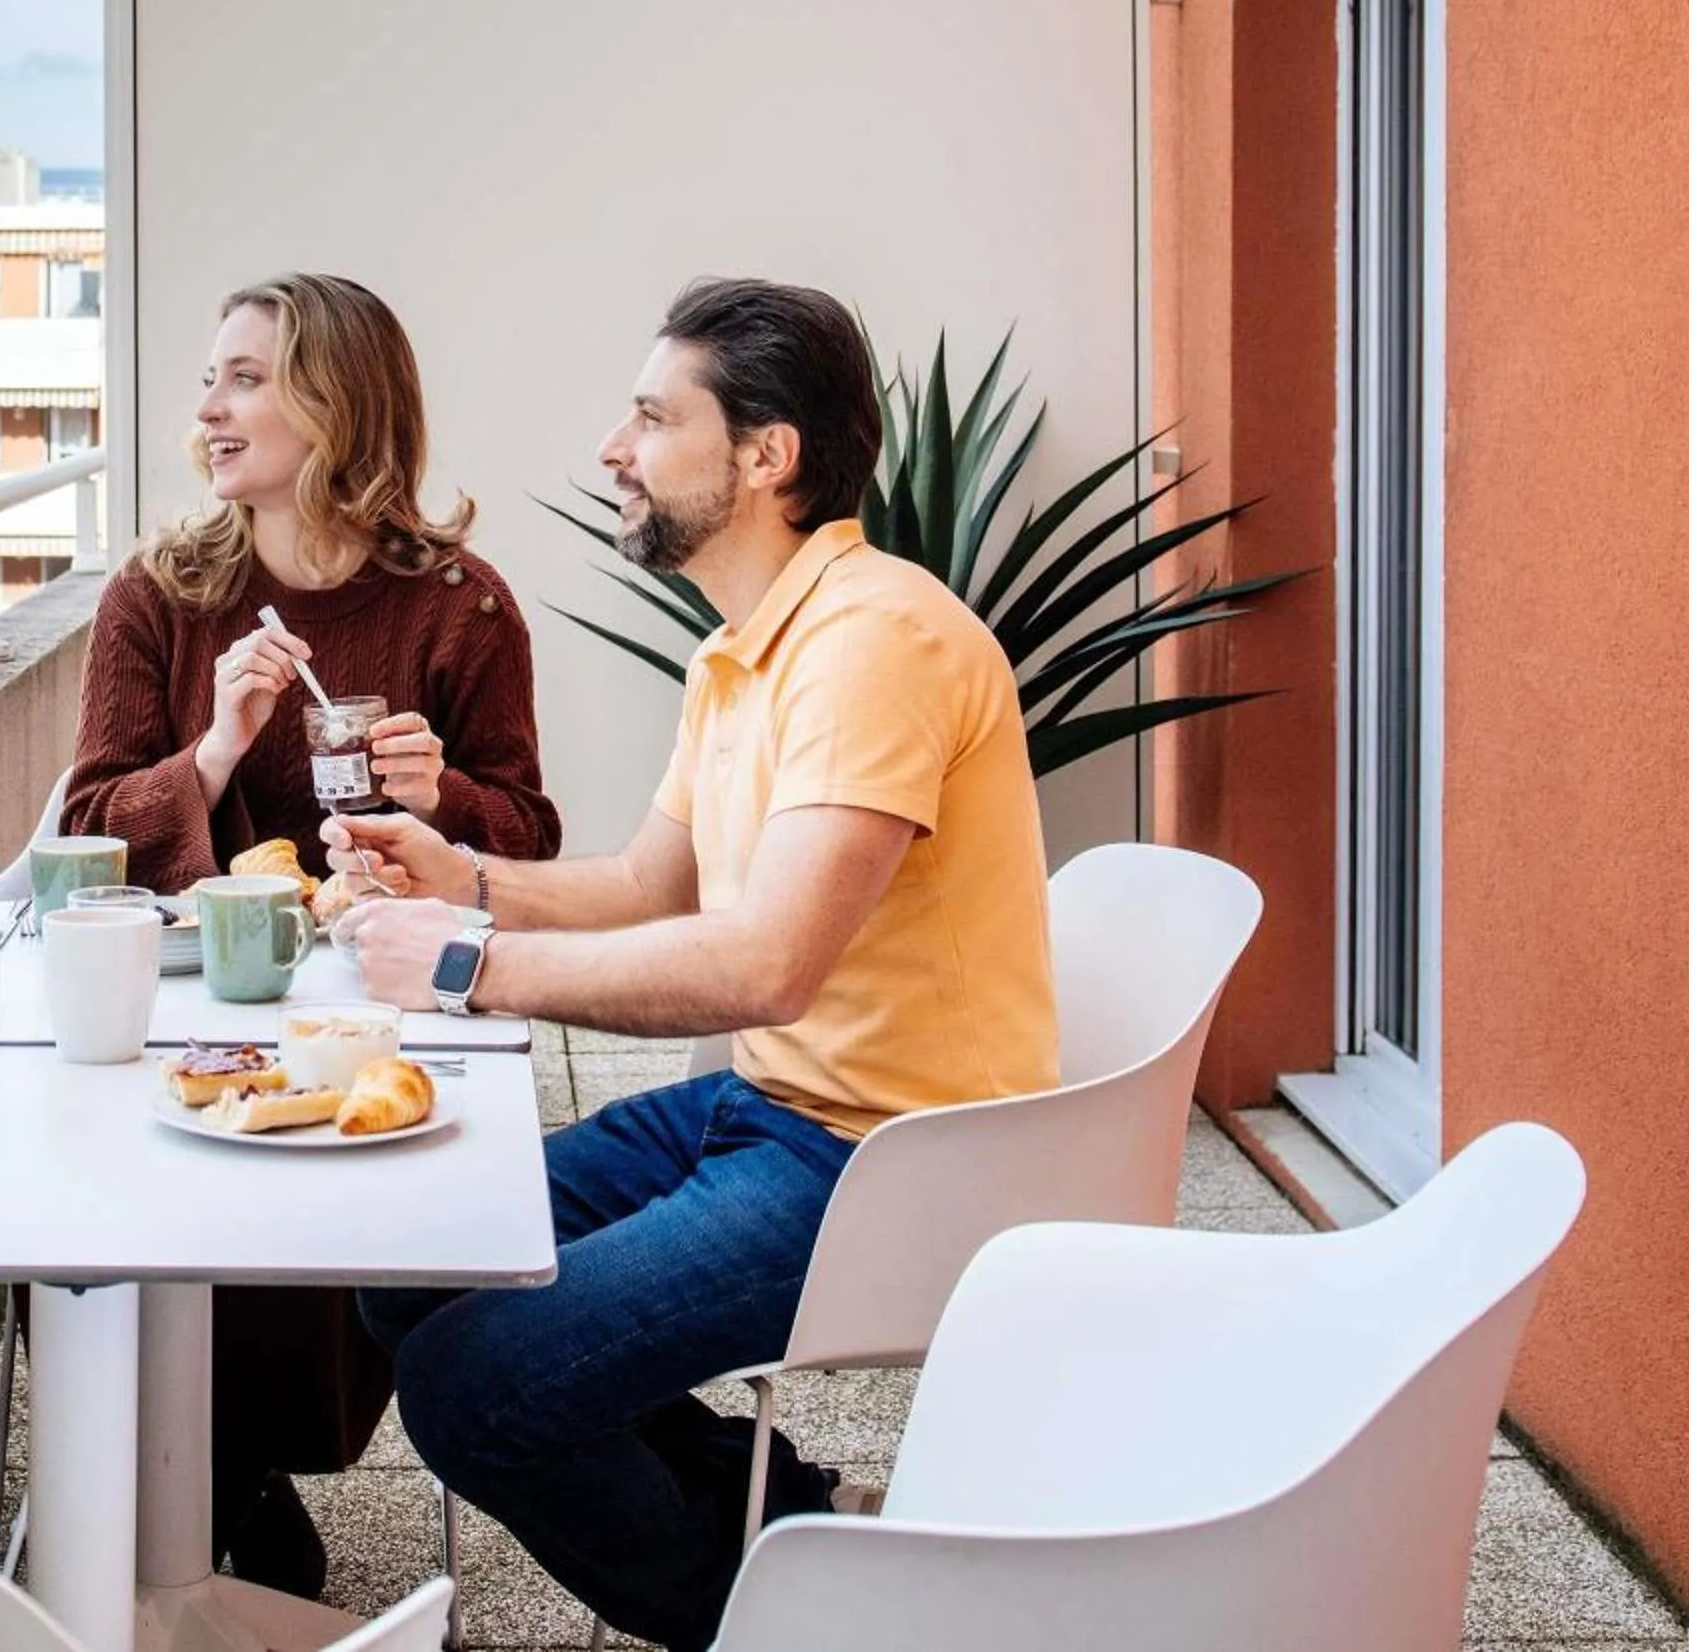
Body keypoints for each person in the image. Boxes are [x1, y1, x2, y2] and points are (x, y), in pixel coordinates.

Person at [325, 277, 1059, 1652]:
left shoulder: (874, 642)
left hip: (883, 1162)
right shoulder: (744, 650)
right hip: (772, 1114)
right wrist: (461, 876)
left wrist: (468, 964)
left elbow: (767, 963)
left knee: (478, 1389)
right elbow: (651, 888)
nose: (617, 446)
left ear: (765, 455)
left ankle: (796, 1624)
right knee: (410, 1255)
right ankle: (786, 1510)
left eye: (655, 416)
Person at [65, 270, 562, 1597]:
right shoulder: (159, 594)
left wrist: (435, 794)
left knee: (323, 1222)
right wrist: (217, 747)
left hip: (372, 1012)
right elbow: (84, 828)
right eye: (208, 381)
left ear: (335, 409)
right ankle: (217, 1483)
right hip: (187, 1009)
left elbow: (527, 838)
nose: (209, 412)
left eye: (243, 379)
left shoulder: (463, 606)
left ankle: (229, 1470)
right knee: (97, 1191)